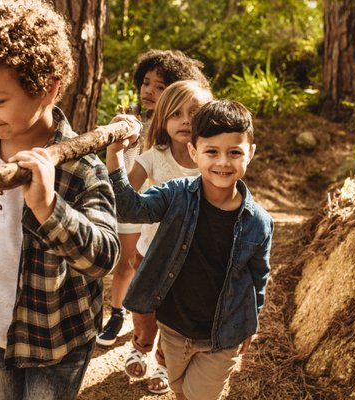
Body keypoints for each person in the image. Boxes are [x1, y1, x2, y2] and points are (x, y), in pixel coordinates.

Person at [0, 2, 120, 399]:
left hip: (57, 336)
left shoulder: (80, 167)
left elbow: (105, 257)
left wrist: (48, 206)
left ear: (49, 87)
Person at [106, 100, 274, 400]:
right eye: (212, 152)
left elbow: (258, 277)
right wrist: (116, 153)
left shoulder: (259, 222)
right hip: (173, 327)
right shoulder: (176, 195)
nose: (223, 162)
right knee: (181, 390)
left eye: (234, 152)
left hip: (222, 335)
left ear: (250, 153)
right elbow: (129, 208)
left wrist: (252, 322)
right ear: (194, 152)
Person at [98, 49, 210, 349]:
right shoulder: (134, 119)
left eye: (160, 86)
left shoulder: (199, 144)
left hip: (171, 225)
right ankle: (120, 315)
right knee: (129, 263)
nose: (150, 90)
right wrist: (122, 142)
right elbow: (130, 183)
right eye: (146, 83)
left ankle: (162, 350)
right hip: (142, 207)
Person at [114, 80, 213, 395]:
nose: (185, 121)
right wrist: (119, 151)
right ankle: (140, 345)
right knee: (145, 311)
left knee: (174, 319)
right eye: (176, 114)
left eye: (194, 114)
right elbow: (125, 194)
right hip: (150, 254)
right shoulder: (154, 156)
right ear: (163, 119)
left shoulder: (210, 159)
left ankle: (162, 363)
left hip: (190, 260)